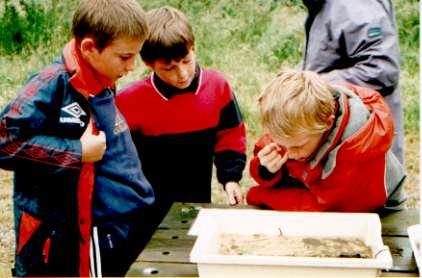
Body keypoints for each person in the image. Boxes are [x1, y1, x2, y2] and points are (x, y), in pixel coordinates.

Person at [0, 0, 155, 276]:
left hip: (120, 222)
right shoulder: (51, 84)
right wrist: (75, 152)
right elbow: (4, 142)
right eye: (124, 56)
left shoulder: (102, 74)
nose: (132, 66)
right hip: (76, 232)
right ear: (89, 48)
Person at [116, 6, 247, 226]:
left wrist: (230, 178)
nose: (182, 74)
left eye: (186, 61)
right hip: (145, 208)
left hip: (195, 203)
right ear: (149, 64)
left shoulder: (217, 87)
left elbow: (231, 136)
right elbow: (118, 160)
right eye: (169, 68)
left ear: (193, 47)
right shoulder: (128, 101)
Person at [246, 70, 406, 212]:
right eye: (281, 144)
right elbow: (268, 151)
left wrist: (258, 195)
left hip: (375, 213)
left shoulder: (354, 152)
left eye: (297, 146)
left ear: (327, 124)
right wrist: (266, 170)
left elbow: (325, 209)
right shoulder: (293, 128)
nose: (289, 153)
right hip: (316, 194)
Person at [300, 0, 405, 164]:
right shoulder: (324, 5)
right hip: (342, 142)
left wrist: (313, 83)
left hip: (367, 144)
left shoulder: (355, 5)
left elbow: (382, 69)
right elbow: (327, 57)